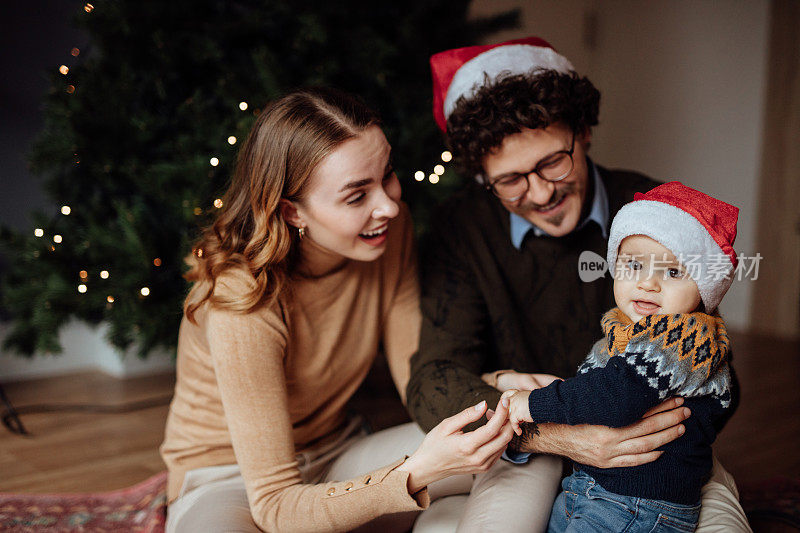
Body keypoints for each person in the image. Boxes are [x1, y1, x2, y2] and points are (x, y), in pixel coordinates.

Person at [406, 36, 750, 531]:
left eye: (552, 162)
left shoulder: (651, 214)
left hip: (655, 453)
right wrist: (556, 436)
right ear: (483, 177)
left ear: (583, 132)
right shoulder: (462, 230)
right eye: (510, 180)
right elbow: (433, 376)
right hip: (526, 441)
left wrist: (649, 428)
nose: (541, 193)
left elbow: (716, 366)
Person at [160, 87, 515, 533]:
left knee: (505, 454)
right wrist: (416, 474)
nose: (388, 205)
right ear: (292, 213)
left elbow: (416, 378)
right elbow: (275, 505)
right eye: (356, 196)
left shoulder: (388, 231)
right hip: (230, 481)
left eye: (387, 175)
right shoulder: (240, 296)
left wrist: (501, 388)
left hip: (338, 454)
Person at [503, 182, 738, 532]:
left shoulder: (687, 334)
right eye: (634, 266)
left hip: (639, 503)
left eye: (672, 272)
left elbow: (617, 396)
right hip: (589, 486)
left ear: (704, 289)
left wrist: (533, 404)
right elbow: (594, 389)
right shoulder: (621, 329)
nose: (647, 284)